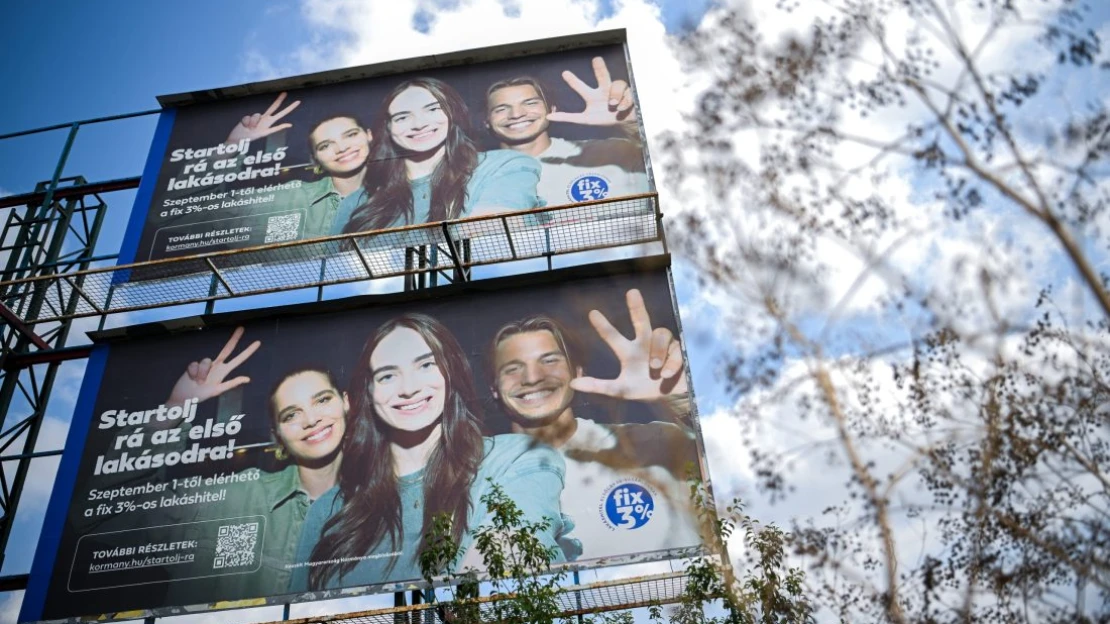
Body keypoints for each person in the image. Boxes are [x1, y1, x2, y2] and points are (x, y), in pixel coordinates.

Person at [289, 313, 566, 591]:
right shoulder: (329, 509)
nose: (409, 388)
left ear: (450, 371)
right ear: (369, 392)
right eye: (387, 375)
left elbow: (497, 587)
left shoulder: (514, 459)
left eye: (425, 365)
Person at [489, 289, 701, 561]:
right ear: (494, 388)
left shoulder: (658, 442)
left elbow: (743, 489)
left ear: (578, 372)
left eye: (550, 360)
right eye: (512, 368)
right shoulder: (476, 481)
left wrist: (685, 404)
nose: (532, 377)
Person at [163, 329, 349, 599]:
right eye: (291, 414)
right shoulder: (234, 498)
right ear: (277, 436)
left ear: (346, 403)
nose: (311, 420)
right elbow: (103, 518)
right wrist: (174, 409)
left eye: (322, 400)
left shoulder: (384, 502)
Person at [334, 77, 542, 234]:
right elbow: (331, 271)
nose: (419, 124)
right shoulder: (357, 201)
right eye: (403, 116)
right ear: (388, 127)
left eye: (432, 109)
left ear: (452, 114)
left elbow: (491, 238)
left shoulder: (502, 165)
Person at [484, 57, 649, 206]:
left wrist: (633, 124)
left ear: (552, 109)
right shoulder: (470, 176)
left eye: (530, 103)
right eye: (501, 109)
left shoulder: (613, 153)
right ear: (486, 122)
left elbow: (666, 165)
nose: (517, 114)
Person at [223, 93, 373, 239]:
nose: (341, 148)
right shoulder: (291, 198)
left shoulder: (393, 193)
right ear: (315, 158)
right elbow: (207, 215)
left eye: (351, 135)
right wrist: (230, 147)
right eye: (325, 145)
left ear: (369, 135)